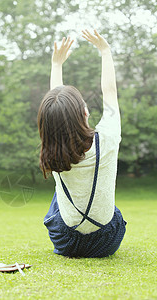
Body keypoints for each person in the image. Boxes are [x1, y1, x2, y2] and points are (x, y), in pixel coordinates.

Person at [37, 29, 127, 258]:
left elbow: (55, 114)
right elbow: (110, 91)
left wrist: (56, 65)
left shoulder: (52, 150)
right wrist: (105, 51)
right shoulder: (107, 138)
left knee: (59, 194)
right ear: (85, 112)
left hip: (66, 242)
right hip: (106, 241)